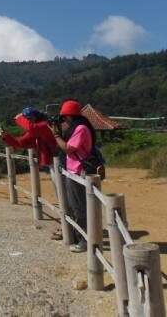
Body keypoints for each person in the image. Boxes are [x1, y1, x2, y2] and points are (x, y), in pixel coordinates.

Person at [50, 99, 96, 253]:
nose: (63, 120)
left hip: (79, 171)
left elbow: (68, 149)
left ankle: (85, 241)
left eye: (64, 117)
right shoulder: (75, 128)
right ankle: (78, 236)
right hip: (73, 171)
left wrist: (56, 135)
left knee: (80, 208)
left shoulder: (81, 129)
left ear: (70, 116)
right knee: (74, 206)